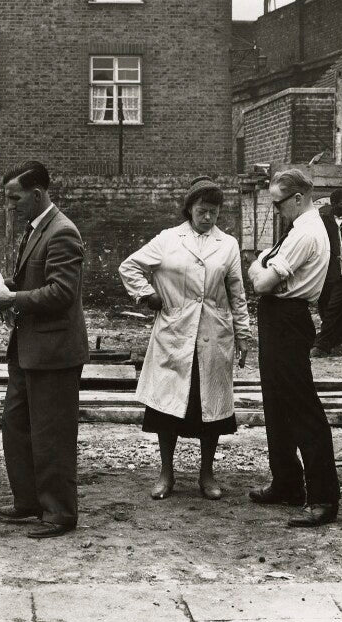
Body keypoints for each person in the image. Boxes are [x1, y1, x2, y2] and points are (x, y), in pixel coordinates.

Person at [119, 177, 251, 501]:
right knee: (167, 408)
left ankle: (207, 474)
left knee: (211, 408)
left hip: (214, 334)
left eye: (214, 212)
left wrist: (243, 334)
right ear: (190, 208)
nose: (208, 217)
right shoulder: (168, 239)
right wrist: (148, 295)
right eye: (202, 210)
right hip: (175, 333)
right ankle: (166, 473)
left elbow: (237, 293)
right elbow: (129, 267)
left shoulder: (228, 244)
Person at [0, 161, 89, 539]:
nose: (10, 206)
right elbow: (32, 280)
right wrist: (2, 287)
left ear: (37, 194)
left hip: (54, 353)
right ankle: (28, 500)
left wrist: (13, 299)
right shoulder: (37, 229)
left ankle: (59, 512)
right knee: (16, 426)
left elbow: (62, 292)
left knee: (51, 435)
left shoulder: (62, 233)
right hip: (28, 348)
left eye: (15, 198)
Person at [247, 168, 340, 527]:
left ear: (298, 198)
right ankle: (287, 482)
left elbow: (261, 282)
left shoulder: (305, 232)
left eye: (278, 203)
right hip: (278, 318)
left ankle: (323, 498)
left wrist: (258, 268)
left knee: (301, 407)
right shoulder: (299, 228)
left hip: (288, 319)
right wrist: (262, 269)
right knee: (276, 403)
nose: (276, 210)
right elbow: (264, 274)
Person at [312, 188, 342, 357]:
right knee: (331, 308)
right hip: (334, 272)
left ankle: (330, 345)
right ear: (334, 204)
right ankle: (326, 344)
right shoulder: (323, 221)